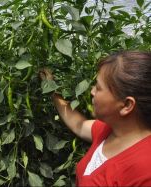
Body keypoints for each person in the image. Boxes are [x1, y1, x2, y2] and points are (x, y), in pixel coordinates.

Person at [40, 51, 151, 186]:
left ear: (127, 105)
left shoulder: (144, 172)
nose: (92, 91)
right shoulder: (109, 131)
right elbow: (78, 124)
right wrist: (52, 90)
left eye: (98, 88)